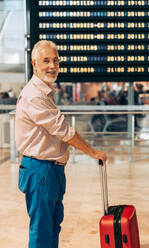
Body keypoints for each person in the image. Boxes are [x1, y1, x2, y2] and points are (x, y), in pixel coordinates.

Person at [15, 40, 107, 248]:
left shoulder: (45, 92)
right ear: (34, 63)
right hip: (41, 170)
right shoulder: (34, 96)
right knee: (42, 231)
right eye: (46, 60)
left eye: (55, 60)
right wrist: (92, 152)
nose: (52, 66)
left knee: (53, 227)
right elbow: (63, 130)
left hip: (51, 170)